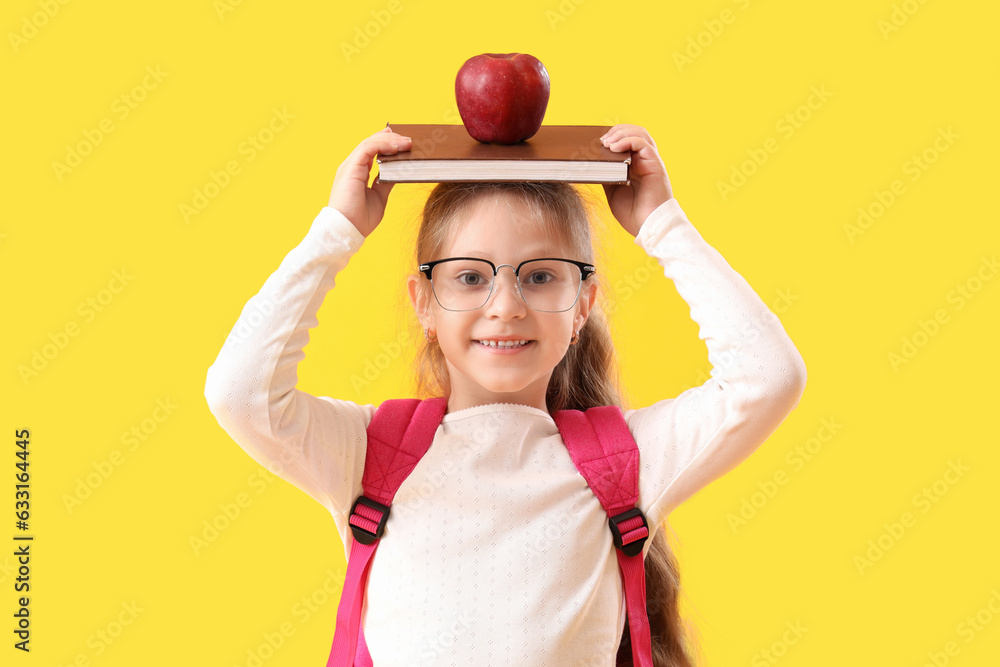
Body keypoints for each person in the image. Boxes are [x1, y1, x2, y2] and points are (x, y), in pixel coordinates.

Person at [204, 124, 807, 666]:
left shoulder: (626, 464)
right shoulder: (369, 457)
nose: (506, 306)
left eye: (540, 275)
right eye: (470, 276)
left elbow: (767, 376)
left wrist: (662, 224)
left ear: (583, 306)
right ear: (423, 303)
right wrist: (336, 232)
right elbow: (241, 393)